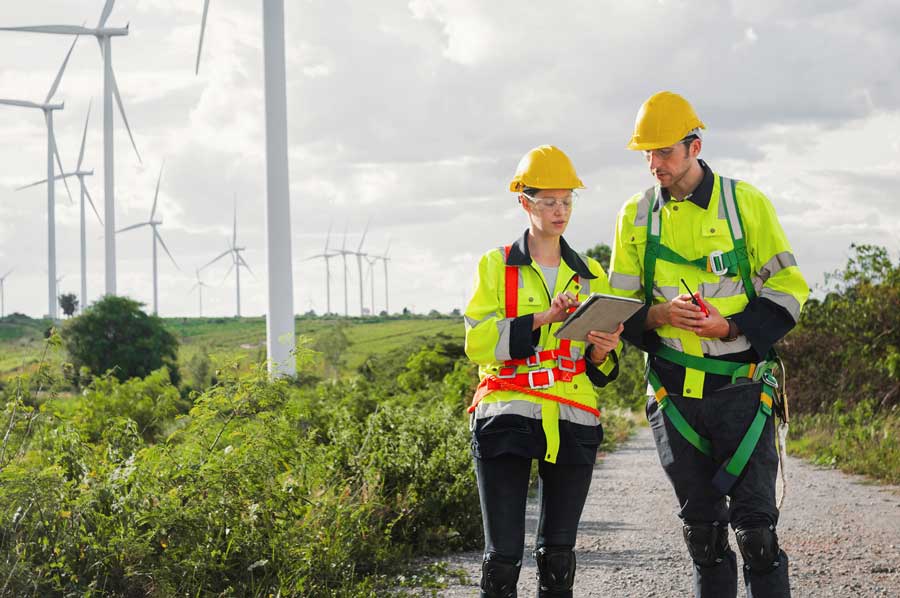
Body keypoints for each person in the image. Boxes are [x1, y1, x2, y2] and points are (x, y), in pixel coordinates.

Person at [608, 91, 810, 598]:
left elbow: (789, 291)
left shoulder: (746, 205)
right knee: (703, 536)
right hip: (673, 398)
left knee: (757, 536)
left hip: (743, 394)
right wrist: (655, 315)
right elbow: (616, 308)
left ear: (694, 146)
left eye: (665, 153)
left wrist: (730, 327)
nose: (654, 165)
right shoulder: (634, 217)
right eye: (646, 155)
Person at [464, 145, 624, 598]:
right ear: (524, 202)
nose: (560, 211)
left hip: (573, 416)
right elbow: (476, 341)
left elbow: (603, 365)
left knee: (559, 560)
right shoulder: (496, 265)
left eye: (567, 200)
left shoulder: (591, 273)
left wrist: (603, 350)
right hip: (507, 412)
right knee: (502, 561)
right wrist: (540, 320)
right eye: (550, 201)